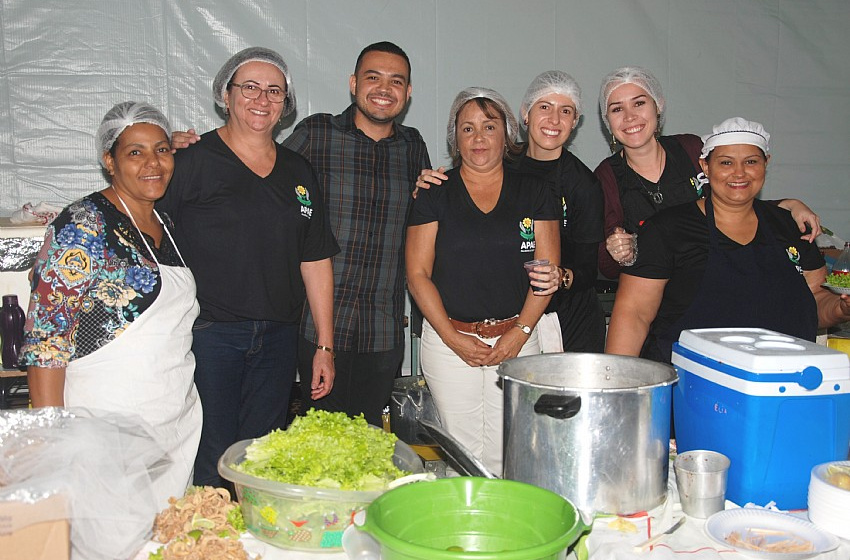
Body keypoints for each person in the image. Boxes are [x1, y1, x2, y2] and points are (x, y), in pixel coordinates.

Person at [157, 47, 339, 488]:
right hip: (209, 335)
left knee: (261, 457)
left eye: (274, 90)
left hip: (278, 338)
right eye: (250, 87)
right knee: (211, 452)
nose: (262, 99)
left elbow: (314, 259)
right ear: (226, 93)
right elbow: (148, 237)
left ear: (286, 104)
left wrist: (325, 346)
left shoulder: (299, 171)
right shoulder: (190, 161)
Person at [21, 101, 202, 508]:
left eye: (161, 149)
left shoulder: (166, 226)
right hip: (107, 423)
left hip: (174, 417)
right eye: (134, 152)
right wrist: (54, 438)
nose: (152, 163)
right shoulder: (83, 225)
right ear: (109, 160)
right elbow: (47, 340)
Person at [605, 117, 850, 362]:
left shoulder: (790, 226)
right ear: (705, 167)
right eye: (726, 162)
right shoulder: (666, 229)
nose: (739, 173)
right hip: (692, 384)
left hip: (782, 380)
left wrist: (841, 308)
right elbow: (633, 314)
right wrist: (617, 382)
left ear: (766, 164)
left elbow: (815, 302)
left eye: (751, 162)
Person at [406, 88, 559, 475]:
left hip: (520, 338)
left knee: (516, 445)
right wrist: (452, 337)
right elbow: (417, 274)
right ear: (454, 138)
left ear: (506, 135)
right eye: (467, 128)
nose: (478, 138)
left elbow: (546, 273)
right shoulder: (434, 193)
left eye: (489, 127)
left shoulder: (535, 191)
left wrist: (520, 332)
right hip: (449, 342)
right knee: (461, 451)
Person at [281, 41, 431, 427]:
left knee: (366, 441)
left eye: (396, 81)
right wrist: (195, 148)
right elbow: (264, 177)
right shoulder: (317, 133)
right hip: (317, 325)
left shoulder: (413, 147)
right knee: (317, 440)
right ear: (353, 83)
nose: (384, 89)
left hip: (382, 329)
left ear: (408, 93)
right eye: (373, 77)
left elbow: (425, 225)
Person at [595, 67, 821, 279]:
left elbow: (737, 200)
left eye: (639, 103)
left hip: (722, 276)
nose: (629, 116)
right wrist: (618, 254)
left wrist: (787, 205)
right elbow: (605, 266)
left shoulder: (692, 149)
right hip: (657, 294)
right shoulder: (606, 177)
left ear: (658, 106)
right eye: (617, 109)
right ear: (608, 121)